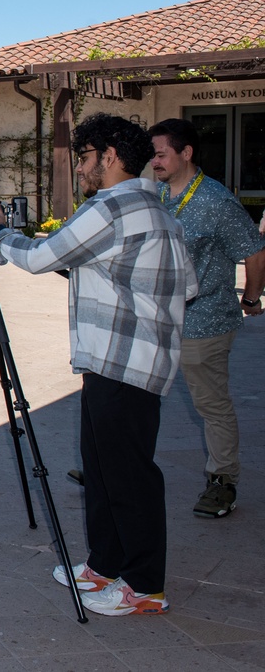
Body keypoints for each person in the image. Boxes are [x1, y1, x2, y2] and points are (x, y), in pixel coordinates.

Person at [0, 113, 197, 617]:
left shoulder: (112, 207)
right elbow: (188, 286)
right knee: (103, 470)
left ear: (109, 155)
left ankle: (144, 588)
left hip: (124, 364)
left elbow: (42, 255)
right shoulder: (157, 209)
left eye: (85, 156)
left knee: (128, 478)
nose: (81, 167)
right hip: (122, 362)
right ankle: (104, 566)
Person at [149, 118, 265, 518]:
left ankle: (223, 481)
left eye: (162, 153)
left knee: (211, 405)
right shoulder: (158, 194)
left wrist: (251, 298)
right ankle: (117, 465)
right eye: (153, 154)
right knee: (139, 394)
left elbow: (255, 250)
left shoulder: (216, 201)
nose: (155, 161)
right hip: (161, 319)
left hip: (206, 321)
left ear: (186, 153)